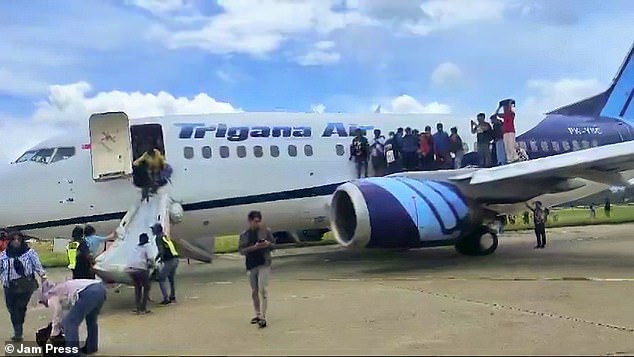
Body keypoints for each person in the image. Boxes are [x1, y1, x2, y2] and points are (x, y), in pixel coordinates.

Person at [0, 231, 47, 341]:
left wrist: (43, 277)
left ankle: (18, 331)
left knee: (20, 307)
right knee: (11, 308)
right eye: (14, 239)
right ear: (10, 241)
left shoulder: (29, 253)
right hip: (9, 285)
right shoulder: (4, 255)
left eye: (19, 240)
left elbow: (37, 266)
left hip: (25, 285)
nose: (16, 242)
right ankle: (17, 327)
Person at [40, 278, 107, 355]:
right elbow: (70, 309)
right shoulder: (62, 287)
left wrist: (54, 331)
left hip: (89, 292)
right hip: (101, 289)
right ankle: (91, 347)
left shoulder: (50, 294)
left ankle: (73, 353)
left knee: (70, 323)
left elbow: (57, 311)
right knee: (91, 320)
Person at [238, 211, 275, 328]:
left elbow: (274, 246)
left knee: (262, 289)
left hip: (264, 263)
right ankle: (257, 313)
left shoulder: (266, 231)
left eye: (259, 221)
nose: (257, 223)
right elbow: (241, 250)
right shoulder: (245, 234)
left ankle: (263, 316)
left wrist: (268, 244)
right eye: (255, 221)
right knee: (254, 291)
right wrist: (254, 247)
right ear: (250, 221)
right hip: (251, 264)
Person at [127, 233, 154, 314]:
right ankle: (143, 308)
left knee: (137, 288)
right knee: (146, 287)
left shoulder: (136, 247)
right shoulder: (148, 246)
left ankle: (138, 308)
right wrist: (153, 266)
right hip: (141, 269)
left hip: (131, 269)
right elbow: (151, 259)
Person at [152, 223, 179, 305]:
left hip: (169, 260)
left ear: (157, 230)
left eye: (153, 229)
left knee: (161, 278)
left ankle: (166, 298)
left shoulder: (158, 238)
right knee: (171, 278)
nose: (152, 231)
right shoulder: (165, 236)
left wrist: (156, 259)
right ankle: (172, 296)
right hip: (175, 258)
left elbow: (161, 251)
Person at [496, 99, 519, 163]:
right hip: (505, 132)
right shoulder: (504, 115)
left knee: (511, 145)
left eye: (505, 108)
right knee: (507, 147)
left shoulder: (511, 114)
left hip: (511, 131)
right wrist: (499, 107)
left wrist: (510, 104)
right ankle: (510, 159)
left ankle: (515, 158)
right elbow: (496, 115)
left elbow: (509, 109)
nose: (504, 109)